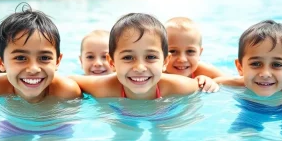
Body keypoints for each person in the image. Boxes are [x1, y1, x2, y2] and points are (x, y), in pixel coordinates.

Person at [70, 13, 214, 100]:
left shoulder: (182, 86)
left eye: (150, 57)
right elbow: (69, 80)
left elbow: (210, 87)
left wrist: (207, 81)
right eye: (128, 57)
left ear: (165, 61)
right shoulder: (104, 87)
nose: (139, 67)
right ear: (112, 62)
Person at [0, 4, 81, 103]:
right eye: (20, 58)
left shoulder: (67, 92)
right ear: (0, 62)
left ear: (57, 61)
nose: (33, 69)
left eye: (44, 58)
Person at [214, 20, 282, 97]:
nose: (265, 74)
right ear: (240, 67)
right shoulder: (235, 84)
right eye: (256, 64)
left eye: (277, 64)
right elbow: (214, 82)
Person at [165, 17, 224, 90]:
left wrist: (211, 81)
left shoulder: (202, 70)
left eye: (190, 51)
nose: (182, 59)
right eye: (172, 51)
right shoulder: (156, 75)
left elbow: (234, 81)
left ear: (199, 53)